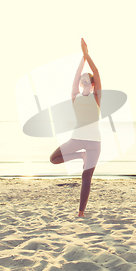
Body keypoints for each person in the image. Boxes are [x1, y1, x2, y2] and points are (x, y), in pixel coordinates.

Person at [50, 38, 101, 217]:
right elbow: (79, 73)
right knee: (54, 158)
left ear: (92, 84)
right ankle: (80, 155)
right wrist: (83, 57)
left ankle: (81, 212)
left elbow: (95, 71)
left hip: (93, 142)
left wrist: (86, 55)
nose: (84, 82)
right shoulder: (75, 96)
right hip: (79, 139)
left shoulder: (96, 96)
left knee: (86, 177)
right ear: (81, 84)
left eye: (88, 81)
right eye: (82, 81)